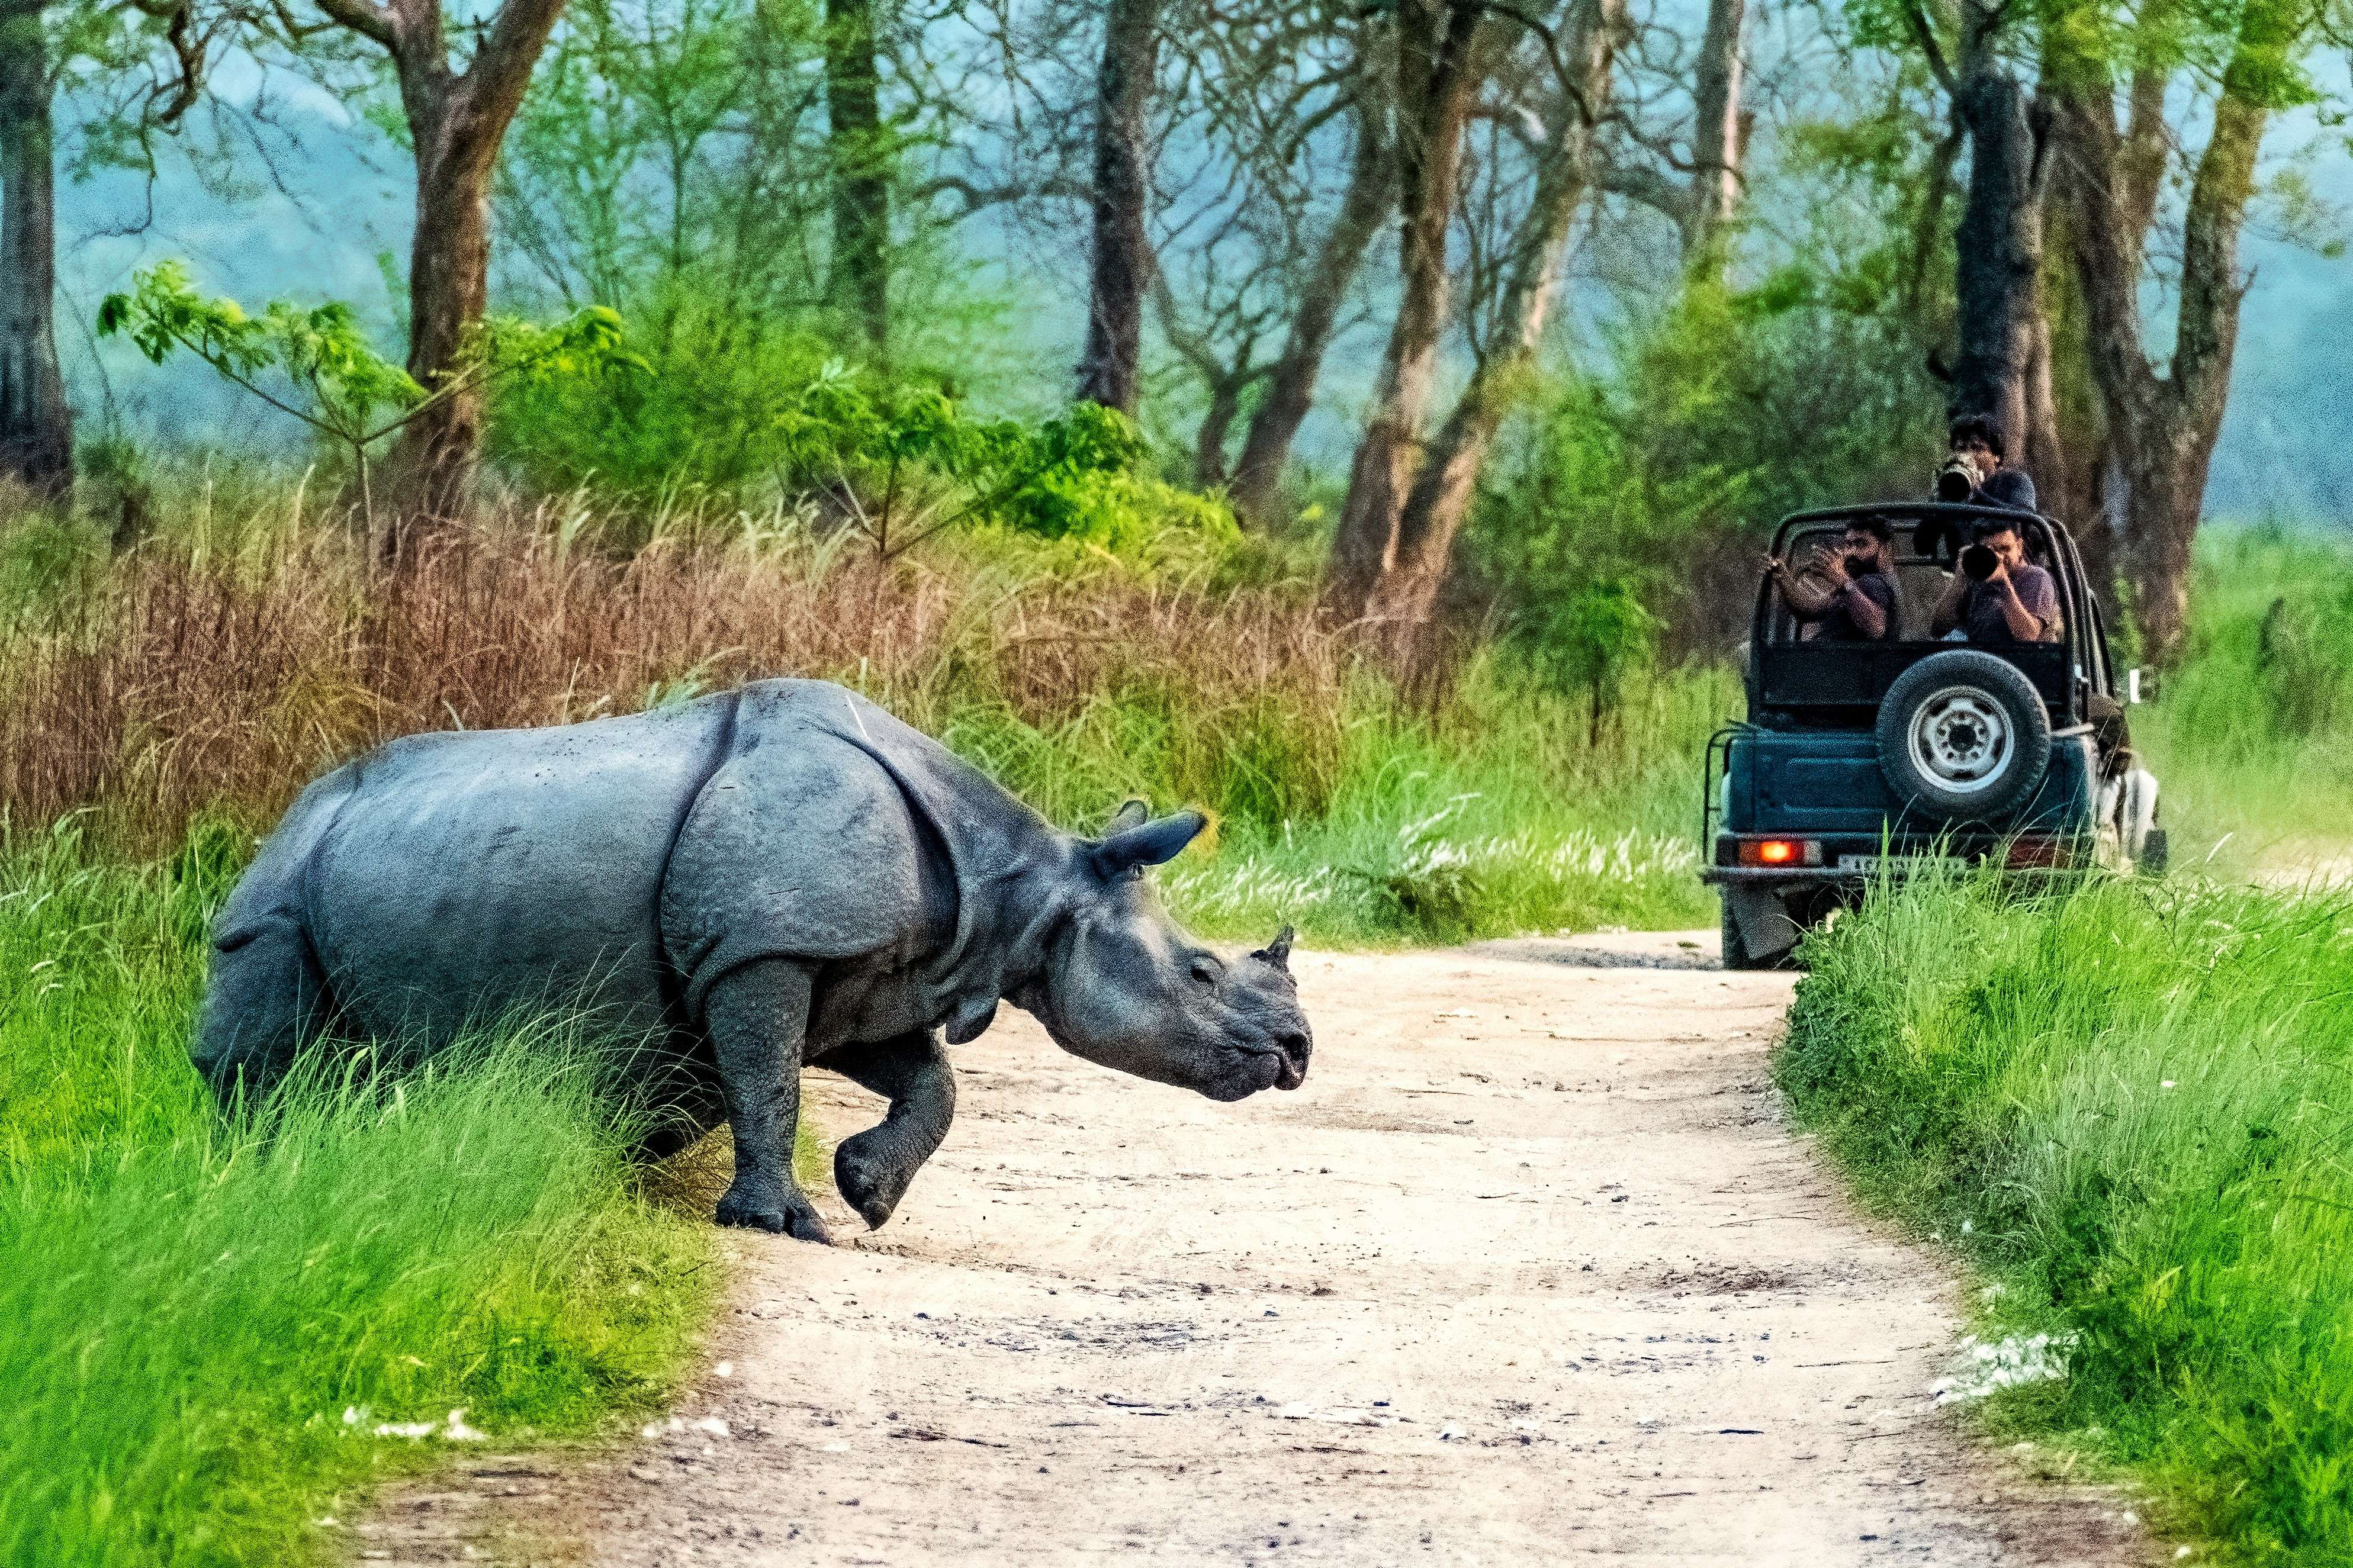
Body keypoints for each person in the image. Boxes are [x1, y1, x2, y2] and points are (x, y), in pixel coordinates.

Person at [1765, 515, 1902, 642]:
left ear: (1883, 548)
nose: (1852, 551)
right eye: (1849, 545)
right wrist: (1784, 578)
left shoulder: (1873, 582)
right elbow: (1811, 609)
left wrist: (1844, 581)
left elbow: (1877, 628)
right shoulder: (1855, 585)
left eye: (1861, 544)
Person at [1930, 515, 2063, 644]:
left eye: (2005, 548)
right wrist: (1960, 578)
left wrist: (2004, 584)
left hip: (2016, 661)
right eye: (1991, 550)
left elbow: (2028, 637)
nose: (1999, 556)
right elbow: (1939, 628)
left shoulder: (2035, 577)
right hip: (1977, 657)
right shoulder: (1978, 577)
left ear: (2019, 547)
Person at [1940, 413, 2038, 512]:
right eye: (1961, 449)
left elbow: (2023, 519)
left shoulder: (2015, 481)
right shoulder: (1950, 482)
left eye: (1977, 448)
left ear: (1996, 456)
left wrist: (1978, 492)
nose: (1967, 455)